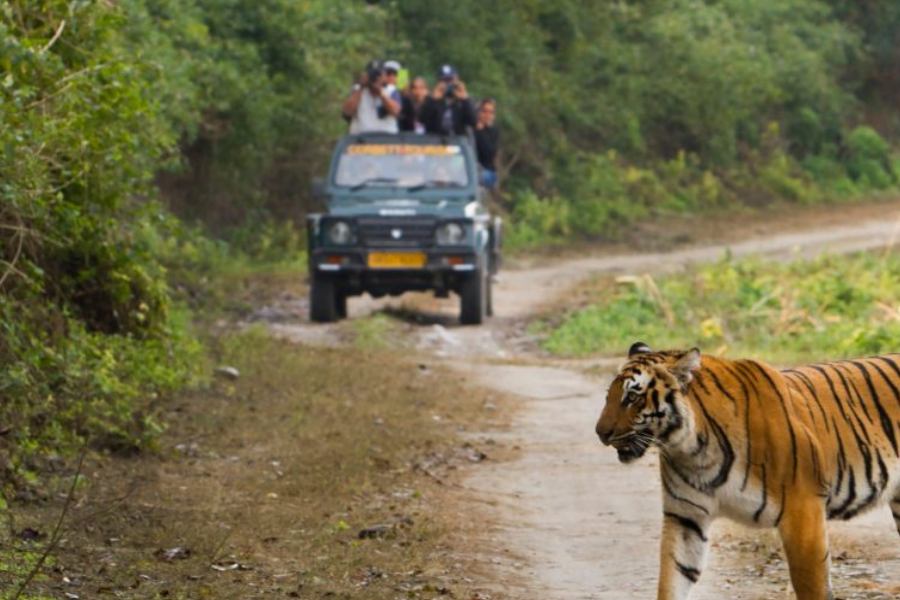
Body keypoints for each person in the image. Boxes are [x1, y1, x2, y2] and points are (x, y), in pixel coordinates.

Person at [341, 60, 400, 134]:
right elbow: (347, 112)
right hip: (360, 137)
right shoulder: (357, 89)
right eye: (373, 74)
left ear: (384, 76)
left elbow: (395, 111)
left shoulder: (390, 90)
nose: (376, 77)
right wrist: (361, 87)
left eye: (378, 74)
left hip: (386, 137)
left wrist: (380, 92)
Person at [420, 64, 476, 136]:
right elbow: (422, 119)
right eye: (444, 80)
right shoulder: (431, 100)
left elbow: (473, 121)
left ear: (457, 80)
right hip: (435, 141)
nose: (448, 84)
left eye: (450, 80)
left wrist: (465, 99)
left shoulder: (464, 101)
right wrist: (433, 99)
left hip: (458, 140)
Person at [474, 98, 499, 188]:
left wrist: (481, 132)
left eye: (491, 112)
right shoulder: (471, 129)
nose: (487, 115)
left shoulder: (494, 131)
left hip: (486, 171)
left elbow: (489, 154)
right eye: (484, 111)